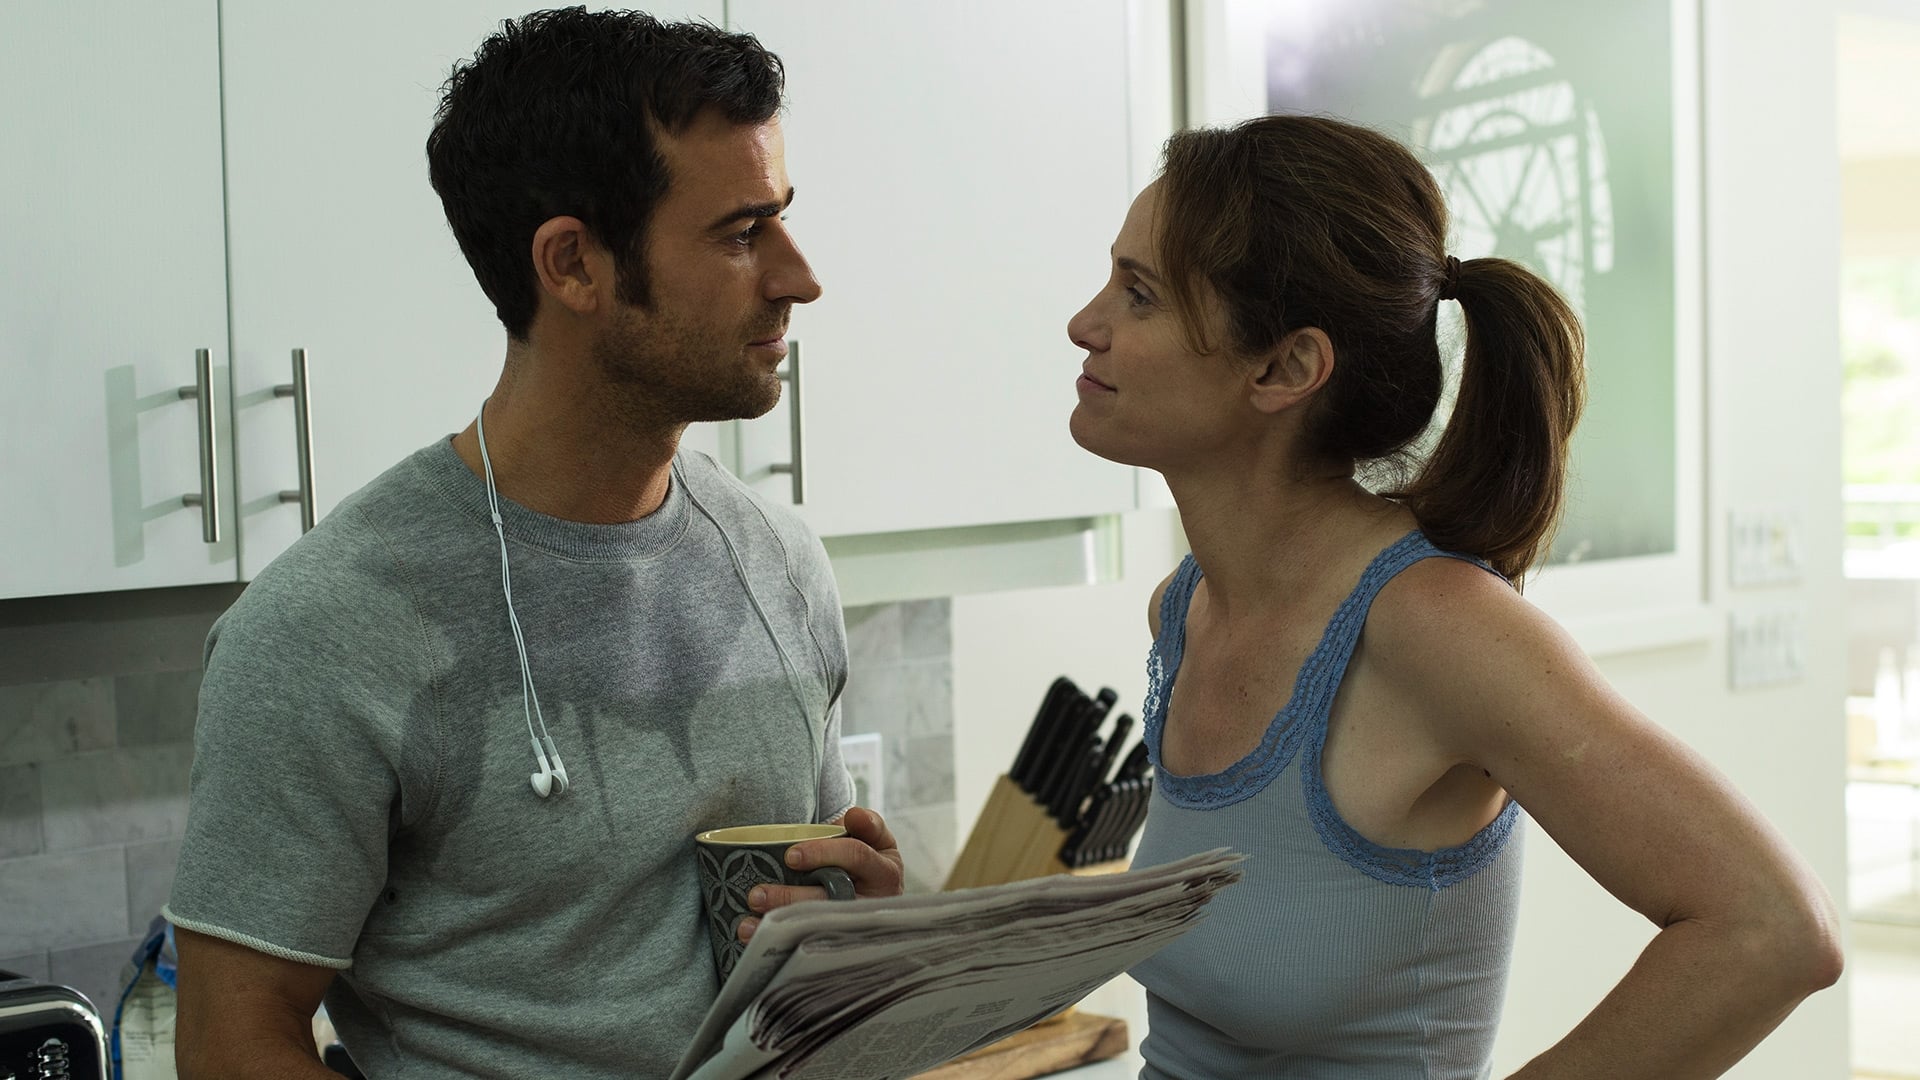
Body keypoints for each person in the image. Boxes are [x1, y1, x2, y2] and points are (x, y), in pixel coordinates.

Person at [164, 10, 902, 1078]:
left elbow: (805, 957)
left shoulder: (782, 564)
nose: (799, 276)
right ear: (572, 264)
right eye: (743, 234)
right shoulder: (325, 631)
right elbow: (230, 1045)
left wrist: (861, 930)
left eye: (781, 220)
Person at [1066, 114, 1842, 1078]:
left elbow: (1772, 930)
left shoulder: (1437, 630)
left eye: (1138, 294)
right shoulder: (1185, 612)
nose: (1086, 323)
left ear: (1285, 368)